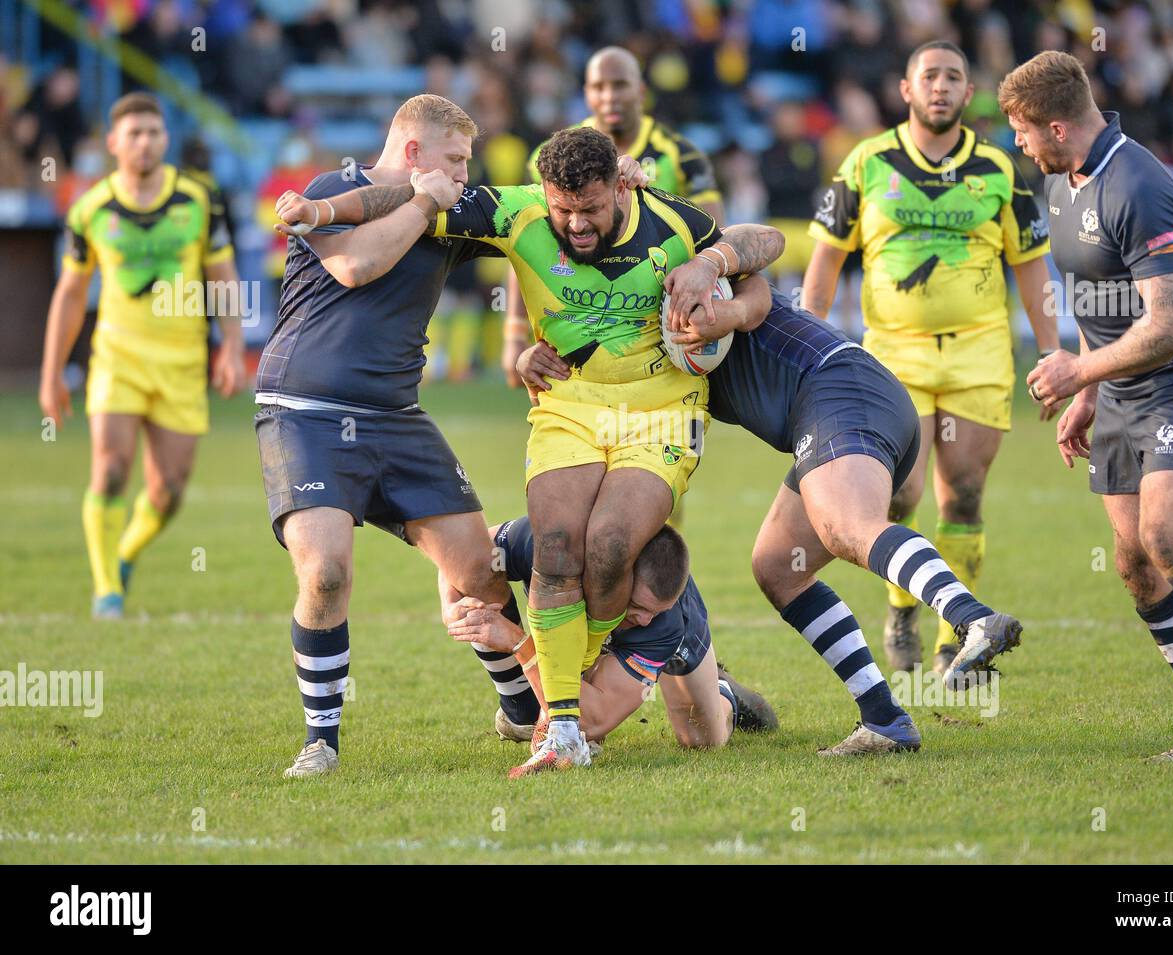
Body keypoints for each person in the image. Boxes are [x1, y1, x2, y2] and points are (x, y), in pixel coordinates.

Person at [279, 126, 784, 777]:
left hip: (659, 415)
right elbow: (403, 197)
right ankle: (565, 728)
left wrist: (716, 278)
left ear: (618, 191)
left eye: (591, 209)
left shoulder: (672, 224)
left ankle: (585, 675)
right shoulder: (516, 209)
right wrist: (319, 212)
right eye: (562, 209)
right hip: (568, 405)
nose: (575, 223)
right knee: (555, 546)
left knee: (608, 546)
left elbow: (764, 250)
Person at [520, 283, 1025, 754]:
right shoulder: (636, 349)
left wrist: (714, 270)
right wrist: (534, 362)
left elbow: (758, 246)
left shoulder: (689, 266)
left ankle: (970, 616)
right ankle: (884, 720)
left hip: (840, 389)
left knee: (847, 525)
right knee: (779, 566)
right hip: (850, 399)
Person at [999, 51, 1173, 766]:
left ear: (1057, 126)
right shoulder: (1063, 184)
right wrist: (1089, 394)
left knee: (1167, 534)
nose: (1018, 145)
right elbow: (1103, 308)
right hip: (1118, 391)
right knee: (1133, 563)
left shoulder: (1139, 183)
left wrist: (1075, 370)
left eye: (1022, 132)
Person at [258, 94, 516, 778]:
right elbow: (356, 266)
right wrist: (423, 204)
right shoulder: (334, 188)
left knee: (480, 572)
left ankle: (520, 707)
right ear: (412, 152)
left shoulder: (451, 207)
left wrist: (624, 176)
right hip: (304, 408)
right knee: (327, 570)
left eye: (467, 163)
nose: (465, 173)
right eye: (454, 160)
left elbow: (547, 212)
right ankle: (321, 739)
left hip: (395, 415)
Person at [802, 42, 1059, 674]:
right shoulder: (865, 162)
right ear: (906, 89)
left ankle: (954, 643)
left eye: (953, 77)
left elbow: (1030, 268)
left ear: (967, 93)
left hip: (978, 355)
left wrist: (1053, 352)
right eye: (929, 76)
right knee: (898, 496)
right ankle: (900, 609)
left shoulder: (999, 168)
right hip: (892, 357)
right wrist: (811, 342)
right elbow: (826, 262)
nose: (940, 86)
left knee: (964, 496)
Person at [39, 92, 245, 619]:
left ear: (166, 139)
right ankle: (106, 589)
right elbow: (68, 294)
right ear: (113, 143)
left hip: (181, 361)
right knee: (109, 470)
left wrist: (231, 347)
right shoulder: (89, 209)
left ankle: (125, 553)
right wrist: (51, 374)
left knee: (169, 489)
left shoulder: (199, 200)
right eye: (134, 133)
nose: (145, 141)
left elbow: (222, 275)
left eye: (154, 131)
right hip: (116, 358)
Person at [441, 516, 777, 753]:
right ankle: (520, 710)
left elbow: (591, 718)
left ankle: (724, 693)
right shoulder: (548, 543)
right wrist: (450, 608)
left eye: (653, 612)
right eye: (637, 606)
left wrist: (517, 642)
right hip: (585, 604)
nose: (645, 620)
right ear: (618, 573)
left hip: (671, 637)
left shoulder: (662, 622)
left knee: (702, 738)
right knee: (475, 575)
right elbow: (460, 551)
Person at [502, 45, 725, 386]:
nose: (609, 97)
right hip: (573, 313)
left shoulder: (681, 155)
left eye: (619, 85)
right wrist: (515, 333)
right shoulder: (553, 159)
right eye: (598, 87)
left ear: (641, 91)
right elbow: (523, 245)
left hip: (655, 316)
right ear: (586, 94)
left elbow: (714, 236)